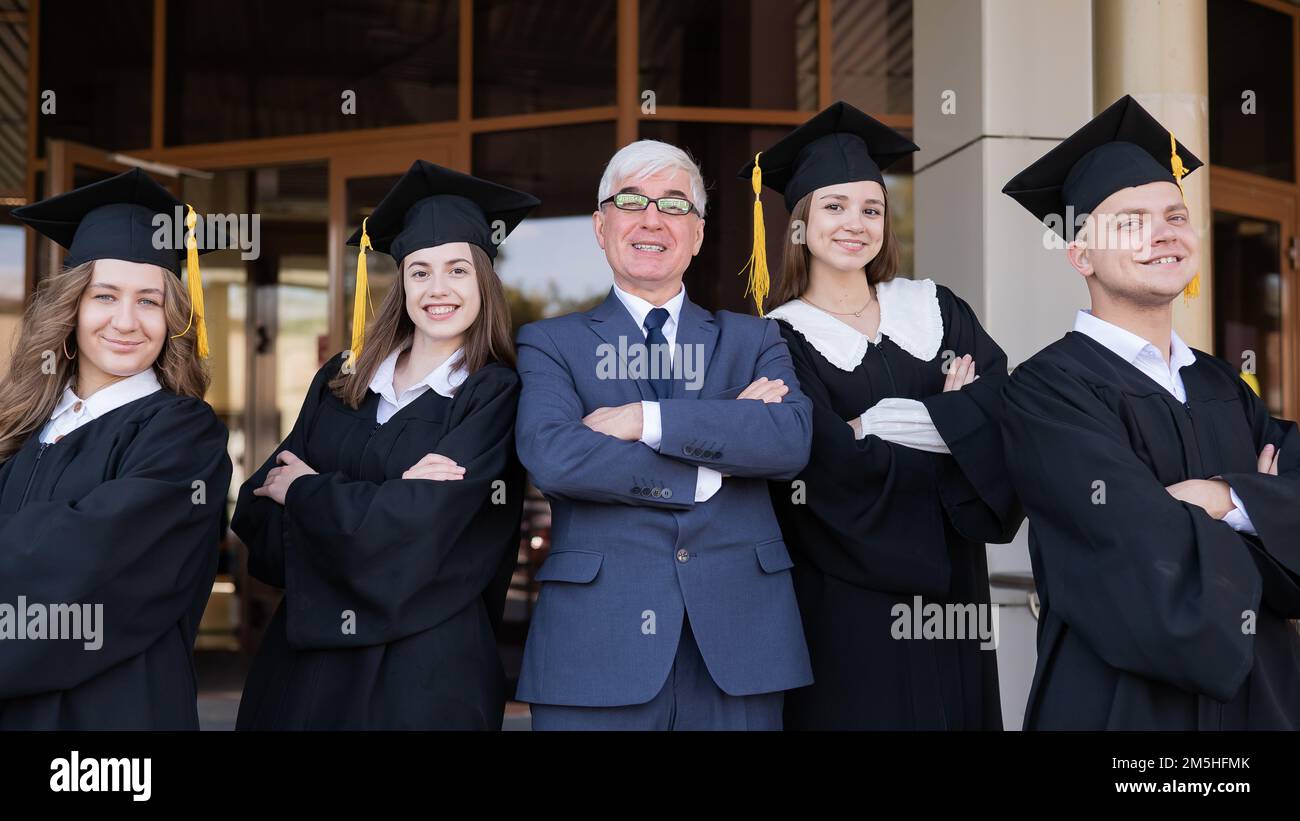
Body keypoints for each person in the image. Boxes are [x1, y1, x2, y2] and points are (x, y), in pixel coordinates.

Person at [1001, 94, 1300, 729]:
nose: (1164, 233)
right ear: (1080, 256)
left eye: (1175, 215)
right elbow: (1135, 557)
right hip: (1121, 709)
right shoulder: (1047, 392)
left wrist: (1220, 500)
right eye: (1130, 221)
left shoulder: (1224, 383)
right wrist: (1263, 509)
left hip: (1262, 701)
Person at [740, 101, 1023, 729]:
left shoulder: (936, 307)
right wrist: (950, 419)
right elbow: (818, 464)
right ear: (800, 224)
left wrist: (871, 427)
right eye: (834, 207)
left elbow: (1003, 414)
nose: (855, 224)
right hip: (845, 599)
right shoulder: (778, 340)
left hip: (954, 590)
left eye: (871, 209)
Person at [514, 139, 813, 730]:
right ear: (601, 228)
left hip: (740, 645)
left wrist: (645, 420)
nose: (652, 219)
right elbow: (554, 456)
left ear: (698, 234)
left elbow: (788, 440)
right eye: (631, 200)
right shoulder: (550, 343)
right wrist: (716, 450)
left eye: (675, 204)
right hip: (596, 647)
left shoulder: (754, 339)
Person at [233, 161, 534, 730]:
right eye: (419, 272)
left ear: (484, 283)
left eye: (457, 271)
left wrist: (303, 492)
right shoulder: (341, 381)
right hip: (304, 673)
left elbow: (424, 536)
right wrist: (386, 500)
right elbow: (255, 514)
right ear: (402, 284)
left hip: (423, 678)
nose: (437, 289)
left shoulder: (494, 393)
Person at [0, 168, 232, 729]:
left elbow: (92, 559)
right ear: (72, 307)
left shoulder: (183, 433)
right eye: (105, 296)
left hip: (115, 722)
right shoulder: (23, 424)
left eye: (149, 301)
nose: (126, 322)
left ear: (173, 317)